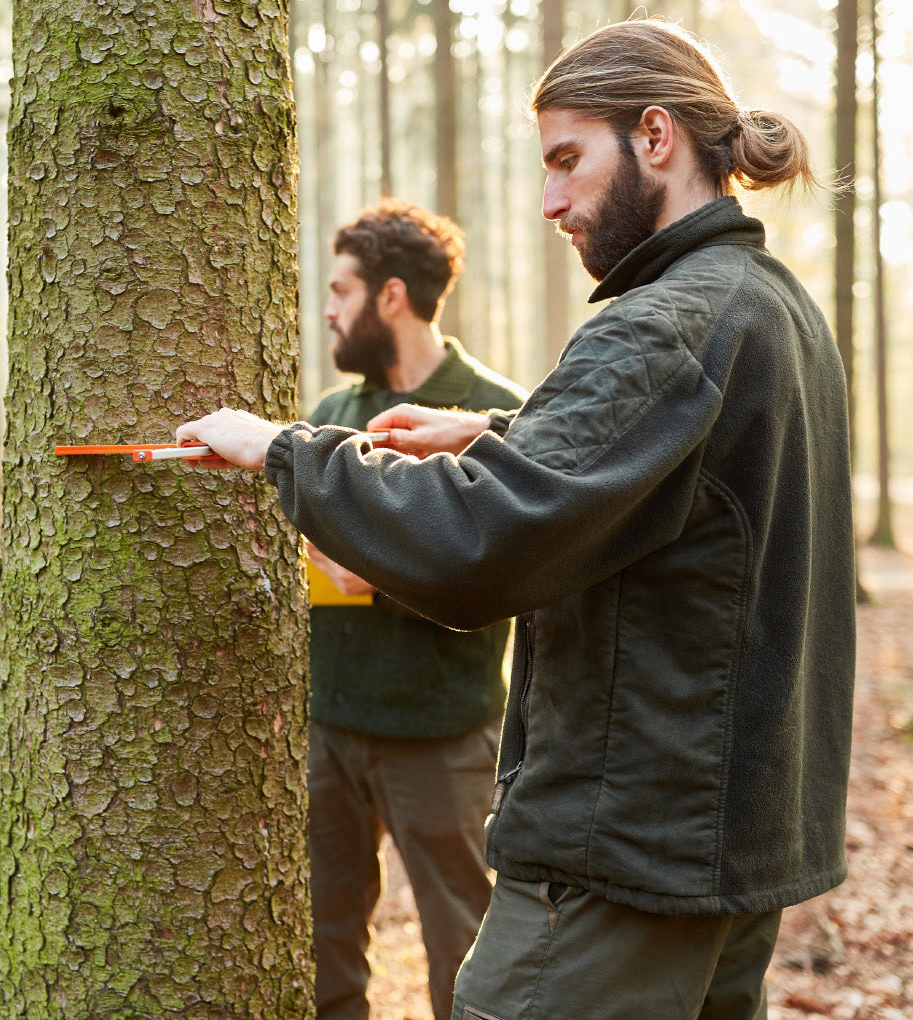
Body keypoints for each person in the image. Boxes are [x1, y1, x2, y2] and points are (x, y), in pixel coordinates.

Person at [176, 19, 854, 1019]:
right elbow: (691, 479)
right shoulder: (766, 306)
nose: (549, 202)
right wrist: (501, 425)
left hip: (620, 861)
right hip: (728, 851)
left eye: (566, 161)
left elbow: (478, 546)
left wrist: (286, 451)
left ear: (655, 137)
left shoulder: (660, 325)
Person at [304, 200, 526, 1020]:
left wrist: (383, 574)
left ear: (389, 296)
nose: (327, 309)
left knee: (464, 957)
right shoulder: (329, 417)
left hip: (443, 738)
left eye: (339, 290)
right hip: (326, 731)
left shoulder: (493, 414)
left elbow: (511, 566)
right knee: (321, 948)